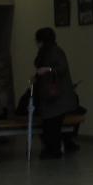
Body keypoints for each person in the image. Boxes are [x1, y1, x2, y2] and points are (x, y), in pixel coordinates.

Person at [33, 27, 78, 159]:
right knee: (51, 125)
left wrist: (48, 70)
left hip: (56, 97)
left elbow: (61, 68)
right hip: (52, 97)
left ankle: (53, 150)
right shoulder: (49, 51)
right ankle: (53, 149)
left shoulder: (54, 52)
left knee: (52, 125)